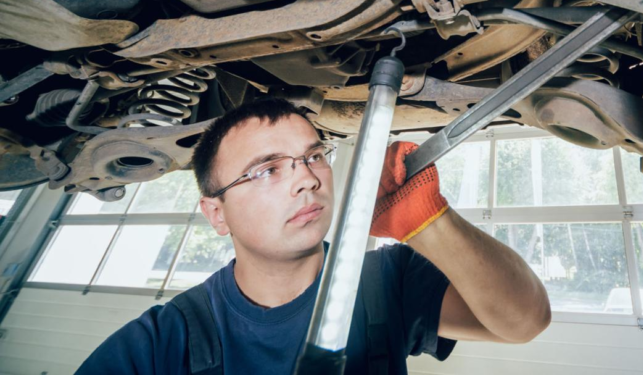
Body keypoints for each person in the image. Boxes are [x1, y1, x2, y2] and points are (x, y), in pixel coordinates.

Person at [76, 98, 550, 374]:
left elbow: (525, 322)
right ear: (216, 213)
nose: (307, 179)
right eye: (266, 170)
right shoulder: (165, 341)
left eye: (313, 156)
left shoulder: (386, 282)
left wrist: (429, 222)